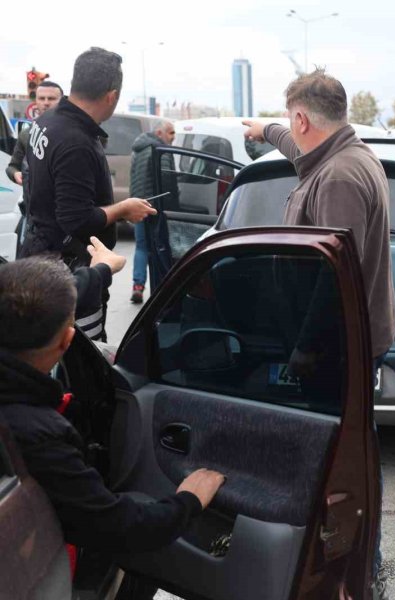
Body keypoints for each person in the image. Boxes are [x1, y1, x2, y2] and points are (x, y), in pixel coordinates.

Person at [243, 68, 395, 600]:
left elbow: (333, 281)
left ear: (304, 117)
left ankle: (353, 571)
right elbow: (296, 147)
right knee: (351, 451)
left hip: (335, 350)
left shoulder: (337, 180)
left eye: (290, 120)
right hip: (349, 345)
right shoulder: (342, 155)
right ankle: (353, 563)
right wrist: (265, 129)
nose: (290, 128)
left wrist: (305, 349)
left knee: (342, 463)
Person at [0, 257, 225, 562]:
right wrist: (190, 500)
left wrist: (100, 271)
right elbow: (116, 526)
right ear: (68, 341)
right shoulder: (38, 434)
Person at [21, 47, 156, 342]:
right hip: (68, 275)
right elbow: (77, 219)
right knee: (81, 360)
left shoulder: (46, 121)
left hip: (39, 255)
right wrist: (123, 209)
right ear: (111, 96)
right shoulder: (75, 141)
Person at [127, 118, 175, 304]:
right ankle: (161, 289)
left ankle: (137, 286)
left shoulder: (138, 149)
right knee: (159, 247)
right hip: (156, 206)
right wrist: (172, 204)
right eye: (171, 132)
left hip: (138, 204)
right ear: (159, 133)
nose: (173, 137)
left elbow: (133, 178)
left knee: (141, 246)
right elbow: (167, 179)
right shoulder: (161, 150)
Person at [5, 80, 64, 187]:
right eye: (41, 98)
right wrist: (15, 174)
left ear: (62, 101)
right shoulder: (27, 133)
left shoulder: (74, 132)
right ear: (36, 101)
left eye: (51, 98)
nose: (46, 103)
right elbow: (12, 167)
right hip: (32, 201)